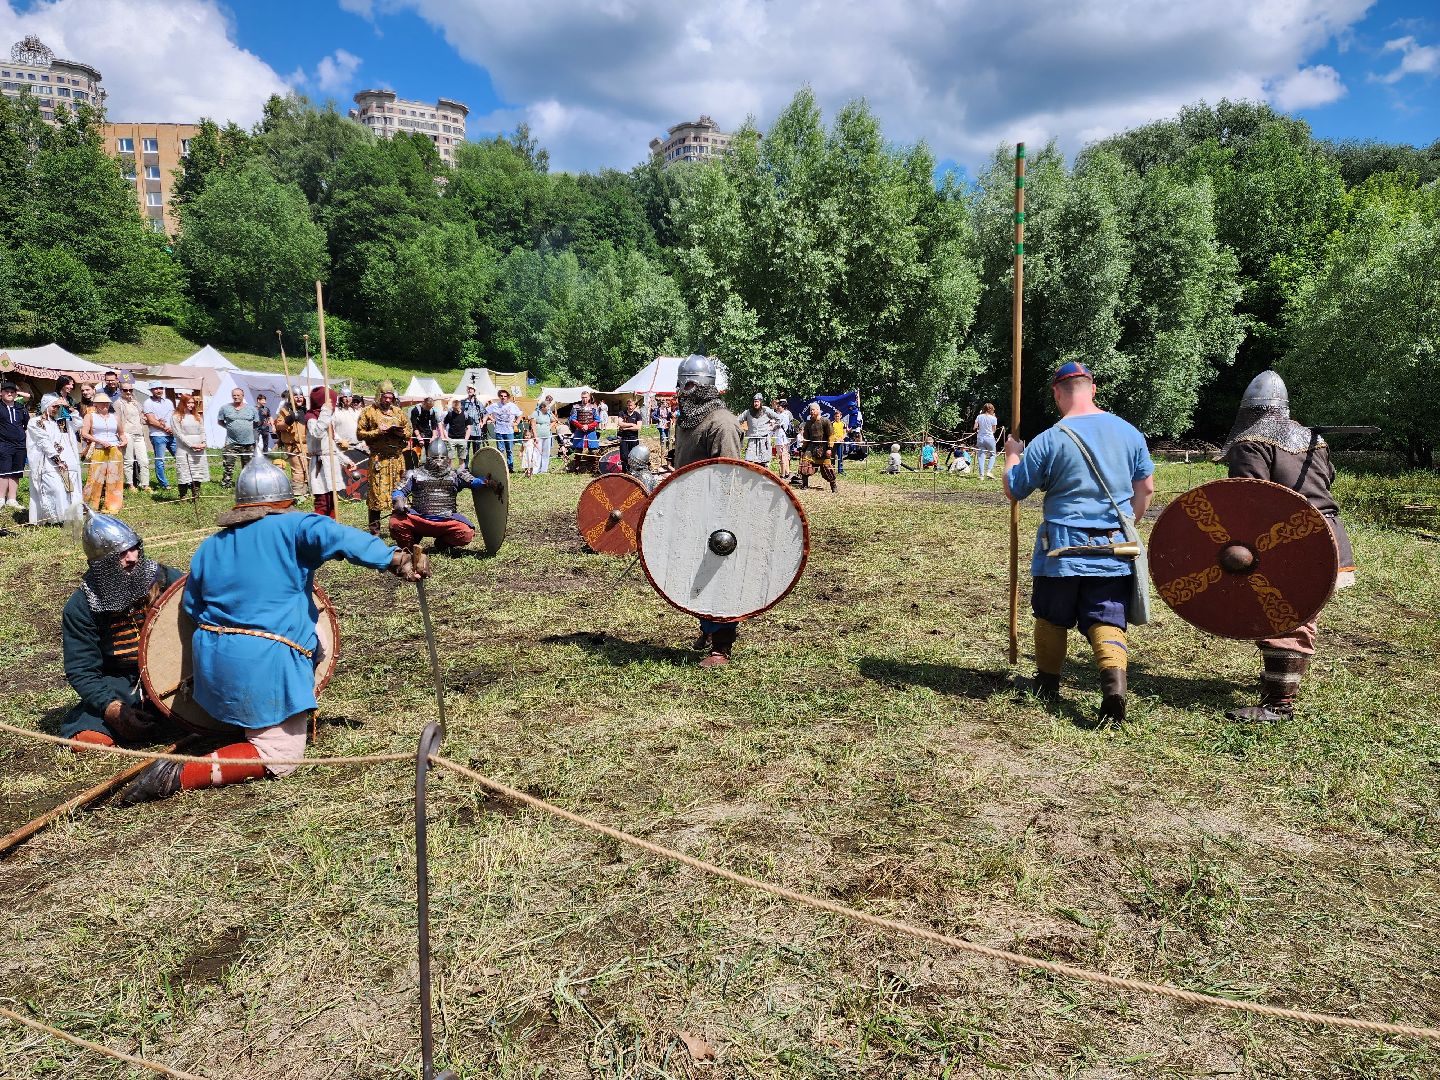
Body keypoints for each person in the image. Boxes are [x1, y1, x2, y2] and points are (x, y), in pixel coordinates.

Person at [119, 452, 429, 803]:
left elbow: (191, 608)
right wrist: (394, 558)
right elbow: (338, 536)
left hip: (209, 670)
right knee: (281, 755)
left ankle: (253, 715)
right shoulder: (295, 526)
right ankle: (177, 774)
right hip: (263, 663)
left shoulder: (208, 547)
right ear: (284, 503)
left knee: (312, 629)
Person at [1003, 362, 1155, 727]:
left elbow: (1015, 488)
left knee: (1052, 616)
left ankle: (1047, 686)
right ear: (1094, 388)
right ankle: (1113, 692)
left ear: (1057, 393)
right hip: (1114, 547)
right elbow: (1146, 489)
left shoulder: (1049, 439)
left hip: (1060, 548)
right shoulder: (1129, 433)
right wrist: (1125, 525)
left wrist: (1011, 454)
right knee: (1106, 618)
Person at [1217, 371, 1356, 723]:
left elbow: (1247, 501)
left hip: (1290, 544)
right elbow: (1326, 484)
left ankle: (1279, 705)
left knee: (1284, 616)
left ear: (1249, 410)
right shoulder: (1313, 439)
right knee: (1296, 614)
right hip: (1329, 537)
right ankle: (1278, 684)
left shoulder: (1252, 442)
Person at [61, 514, 184, 748]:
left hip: (176, 668)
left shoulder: (167, 579)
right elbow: (82, 670)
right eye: (120, 554)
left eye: (134, 548)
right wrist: (114, 710)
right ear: (101, 563)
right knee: (89, 741)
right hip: (124, 683)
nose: (132, 558)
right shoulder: (81, 607)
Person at [671, 354, 745, 669]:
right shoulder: (686, 420)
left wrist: (721, 517)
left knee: (718, 576)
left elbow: (729, 475)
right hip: (690, 509)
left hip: (716, 514)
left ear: (704, 387)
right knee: (695, 573)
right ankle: (707, 628)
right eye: (680, 385)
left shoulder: (722, 423)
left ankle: (722, 646)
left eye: (688, 385)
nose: (681, 392)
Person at [390, 435, 501, 555]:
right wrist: (398, 500)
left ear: (447, 458)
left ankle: (442, 543)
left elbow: (473, 482)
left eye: (442, 457)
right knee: (396, 522)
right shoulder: (415, 474)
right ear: (428, 457)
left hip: (446, 520)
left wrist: (487, 482)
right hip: (419, 518)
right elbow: (399, 490)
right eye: (435, 458)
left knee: (466, 533)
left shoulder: (455, 474)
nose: (438, 461)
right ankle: (409, 546)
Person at [357, 381, 411, 536]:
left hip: (396, 460)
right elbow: (360, 433)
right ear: (379, 396)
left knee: (398, 493)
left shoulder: (398, 412)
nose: (388, 400)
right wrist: (377, 432)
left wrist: (402, 434)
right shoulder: (368, 412)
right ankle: (375, 531)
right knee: (376, 494)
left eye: (390, 397)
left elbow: (408, 431)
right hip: (379, 460)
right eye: (385, 397)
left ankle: (397, 529)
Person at [26, 394, 83, 526]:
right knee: (55, 489)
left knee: (69, 490)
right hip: (47, 463)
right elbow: (43, 442)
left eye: (58, 407)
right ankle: (53, 519)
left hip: (66, 462)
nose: (56, 409)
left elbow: (78, 423)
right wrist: (57, 460)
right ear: (46, 405)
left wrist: (69, 408)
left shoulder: (61, 423)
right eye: (54, 406)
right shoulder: (35, 422)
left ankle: (67, 518)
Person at [79, 391, 126, 513]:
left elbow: (121, 433)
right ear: (96, 404)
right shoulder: (90, 416)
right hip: (99, 448)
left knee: (115, 478)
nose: (105, 405)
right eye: (101, 403)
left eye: (106, 403)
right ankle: (89, 505)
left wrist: (124, 441)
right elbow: (84, 433)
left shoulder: (115, 417)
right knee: (95, 478)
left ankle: (113, 505)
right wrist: (99, 441)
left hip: (114, 448)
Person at [305, 387, 345, 519]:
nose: (332, 406)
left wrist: (346, 461)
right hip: (320, 465)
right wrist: (325, 412)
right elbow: (317, 433)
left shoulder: (327, 418)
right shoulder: (312, 418)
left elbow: (331, 446)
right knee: (322, 503)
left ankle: (331, 531)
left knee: (332, 502)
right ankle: (318, 532)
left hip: (330, 463)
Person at [217, 387, 259, 487]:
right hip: (231, 442)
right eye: (234, 395)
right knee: (228, 464)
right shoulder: (225, 408)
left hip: (248, 442)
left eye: (238, 395)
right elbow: (220, 421)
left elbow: (256, 423)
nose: (236, 397)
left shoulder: (252, 409)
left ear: (242, 396)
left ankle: (247, 484)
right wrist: (230, 428)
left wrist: (246, 429)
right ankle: (226, 484)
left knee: (248, 466)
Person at [113, 378, 150, 491]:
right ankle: (130, 484)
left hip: (139, 434)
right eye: (125, 390)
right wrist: (121, 435)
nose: (128, 392)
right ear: (120, 391)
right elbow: (117, 421)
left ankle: (145, 484)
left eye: (130, 390)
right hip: (127, 433)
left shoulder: (136, 403)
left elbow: (142, 418)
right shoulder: (118, 403)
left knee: (144, 460)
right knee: (128, 460)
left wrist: (146, 418)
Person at [171, 393, 209, 503]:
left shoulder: (197, 416)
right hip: (184, 448)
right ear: (183, 403)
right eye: (189, 402)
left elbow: (202, 431)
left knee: (197, 471)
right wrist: (191, 445)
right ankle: (183, 496)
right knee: (183, 471)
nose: (191, 405)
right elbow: (178, 434)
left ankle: (195, 495)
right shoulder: (176, 417)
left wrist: (203, 443)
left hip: (198, 448)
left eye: (193, 402)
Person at [276, 389, 310, 498]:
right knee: (298, 470)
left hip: (307, 445)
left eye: (301, 395)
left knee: (307, 468)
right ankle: (298, 494)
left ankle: (306, 492)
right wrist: (289, 419)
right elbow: (278, 426)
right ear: (291, 398)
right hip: (293, 445)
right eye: (295, 396)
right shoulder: (285, 411)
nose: (299, 397)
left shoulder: (307, 411)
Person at [796, 403, 837, 492]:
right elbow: (806, 438)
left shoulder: (825, 421)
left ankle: (833, 486)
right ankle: (805, 484)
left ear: (818, 410)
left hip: (824, 447)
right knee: (805, 464)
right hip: (811, 447)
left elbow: (831, 435)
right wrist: (803, 449)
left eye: (813, 410)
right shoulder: (808, 423)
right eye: (810, 410)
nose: (812, 411)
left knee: (827, 467)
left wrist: (829, 448)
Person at [142, 385, 176, 492]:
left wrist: (173, 429)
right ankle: (164, 483)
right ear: (151, 390)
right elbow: (151, 420)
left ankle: (185, 481)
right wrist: (166, 428)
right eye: (155, 389)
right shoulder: (148, 403)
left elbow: (173, 417)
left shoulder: (169, 402)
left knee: (180, 457)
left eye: (160, 388)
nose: (158, 390)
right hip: (157, 435)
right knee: (160, 460)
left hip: (172, 434)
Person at [0, 380, 27, 510]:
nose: (9, 393)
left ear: (16, 394)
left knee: (16, 472)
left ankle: (12, 499)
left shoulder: (20, 407)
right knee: (4, 471)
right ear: (1, 393)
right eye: (7, 391)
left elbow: (27, 425)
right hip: (3, 444)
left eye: (12, 392)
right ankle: (1, 498)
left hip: (20, 445)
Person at [486, 388, 523, 471]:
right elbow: (486, 412)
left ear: (507, 397)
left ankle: (510, 468)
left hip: (509, 431)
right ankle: (501, 468)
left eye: (505, 396)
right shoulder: (495, 405)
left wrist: (516, 422)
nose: (503, 397)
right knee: (500, 451)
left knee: (509, 450)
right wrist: (492, 419)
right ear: (499, 396)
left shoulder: (512, 406)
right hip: (499, 431)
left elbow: (520, 413)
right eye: (501, 396)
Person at [739, 394, 781, 467]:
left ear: (761, 402)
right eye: (755, 401)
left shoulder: (766, 410)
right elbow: (737, 421)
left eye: (757, 402)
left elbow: (779, 419)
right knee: (750, 462)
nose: (756, 403)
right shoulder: (748, 412)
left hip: (764, 440)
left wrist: (772, 427)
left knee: (763, 463)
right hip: (752, 440)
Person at [569, 390, 602, 455]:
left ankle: (592, 464)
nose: (584, 399)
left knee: (593, 450)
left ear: (589, 397)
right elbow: (572, 419)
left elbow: (597, 420)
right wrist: (581, 427)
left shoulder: (594, 407)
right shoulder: (576, 407)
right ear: (581, 398)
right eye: (583, 397)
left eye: (586, 397)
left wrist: (588, 426)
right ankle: (577, 464)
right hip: (579, 431)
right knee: (578, 450)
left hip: (591, 431)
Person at [616, 396, 643, 466]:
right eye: (629, 405)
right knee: (624, 457)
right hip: (624, 438)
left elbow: (638, 427)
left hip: (634, 439)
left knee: (634, 457)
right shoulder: (622, 413)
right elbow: (620, 423)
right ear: (627, 405)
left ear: (634, 406)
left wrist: (626, 428)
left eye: (632, 405)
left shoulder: (638, 415)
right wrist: (631, 424)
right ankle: (624, 473)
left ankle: (633, 473)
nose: (630, 407)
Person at [770, 398, 794, 479]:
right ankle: (786, 472)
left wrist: (771, 426)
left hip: (782, 439)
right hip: (781, 438)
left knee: (782, 457)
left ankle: (783, 474)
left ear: (783, 407)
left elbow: (777, 426)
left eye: (779, 406)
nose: (778, 407)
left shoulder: (783, 415)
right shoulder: (783, 415)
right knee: (784, 456)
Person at [975, 403, 999, 479]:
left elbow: (975, 427)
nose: (993, 411)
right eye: (993, 410)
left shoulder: (979, 416)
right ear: (990, 409)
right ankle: (988, 471)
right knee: (992, 455)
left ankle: (981, 475)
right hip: (990, 438)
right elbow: (994, 430)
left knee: (981, 456)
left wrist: (979, 429)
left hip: (980, 439)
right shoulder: (993, 418)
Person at [443, 398, 471, 463]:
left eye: (457, 409)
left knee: (461, 459)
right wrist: (447, 437)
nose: (456, 411)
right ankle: (449, 471)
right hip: (451, 439)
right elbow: (443, 426)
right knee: (450, 458)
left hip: (462, 439)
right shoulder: (449, 414)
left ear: (460, 406)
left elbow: (469, 428)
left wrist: (466, 439)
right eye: (454, 409)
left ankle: (461, 471)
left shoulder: (465, 414)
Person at [531, 398, 555, 474]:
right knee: (537, 452)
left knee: (546, 453)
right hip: (538, 435)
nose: (549, 408)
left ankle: (544, 470)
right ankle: (535, 470)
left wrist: (549, 427)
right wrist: (535, 436)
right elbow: (533, 424)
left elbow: (554, 421)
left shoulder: (548, 414)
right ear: (543, 407)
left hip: (547, 435)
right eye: (547, 407)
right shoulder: (536, 413)